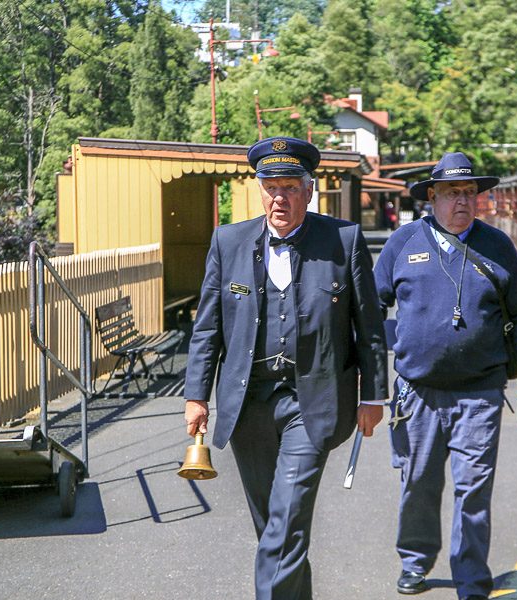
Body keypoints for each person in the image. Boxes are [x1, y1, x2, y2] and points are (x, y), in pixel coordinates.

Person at [183, 136, 389, 600]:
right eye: (271, 187)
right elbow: (207, 327)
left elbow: (370, 327)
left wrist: (373, 395)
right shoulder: (228, 242)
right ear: (260, 190)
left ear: (309, 191)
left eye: (290, 187)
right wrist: (196, 395)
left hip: (311, 404)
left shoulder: (343, 240)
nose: (280, 197)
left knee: (288, 517)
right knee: (273, 527)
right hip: (247, 404)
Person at [374, 152, 517, 600]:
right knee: (418, 485)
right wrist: (370, 379)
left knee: (474, 490)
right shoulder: (403, 242)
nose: (462, 201)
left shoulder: (498, 246)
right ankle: (414, 561)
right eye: (451, 193)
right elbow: (372, 311)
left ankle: (471, 578)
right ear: (433, 197)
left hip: (480, 394)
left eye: (469, 193)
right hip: (417, 394)